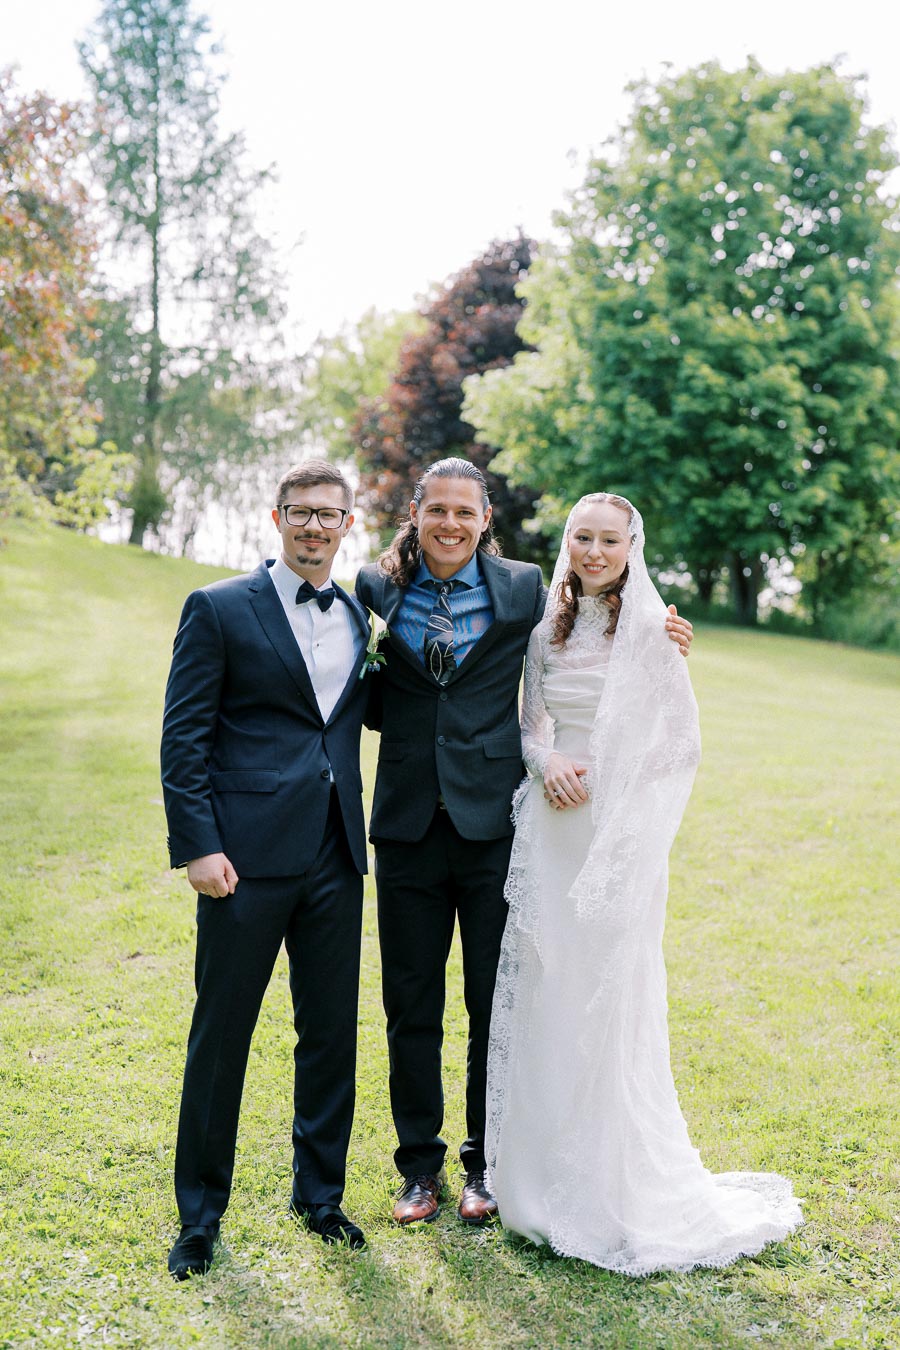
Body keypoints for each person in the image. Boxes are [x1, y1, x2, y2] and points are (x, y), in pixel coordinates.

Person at [355, 460, 694, 1228]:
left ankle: (485, 1164)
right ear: (416, 514)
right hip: (405, 821)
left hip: (493, 828)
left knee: (494, 1001)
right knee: (409, 1002)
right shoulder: (374, 590)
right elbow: (360, 690)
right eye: (436, 510)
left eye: (464, 511)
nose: (450, 523)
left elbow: (598, 649)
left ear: (485, 518)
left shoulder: (521, 589)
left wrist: (665, 631)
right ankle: (418, 1169)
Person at [485, 493, 802, 1272]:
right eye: (581, 538)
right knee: (546, 989)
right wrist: (546, 761)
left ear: (632, 545)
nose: (593, 551)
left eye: (608, 540)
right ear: (568, 545)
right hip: (552, 828)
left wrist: (620, 812)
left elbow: (680, 747)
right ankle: (529, 1190)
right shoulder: (542, 632)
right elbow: (531, 723)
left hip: (616, 838)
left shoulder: (656, 632)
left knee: (604, 998)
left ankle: (605, 1190)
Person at [161, 461, 373, 1280]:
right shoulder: (218, 608)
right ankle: (200, 1216)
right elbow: (184, 739)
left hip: (335, 854)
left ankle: (319, 1196)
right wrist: (199, 846)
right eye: (302, 513)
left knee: (329, 1034)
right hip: (242, 860)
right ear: (276, 516)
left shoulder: (361, 613)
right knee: (223, 1036)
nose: (316, 527)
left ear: (349, 522)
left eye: (331, 514)